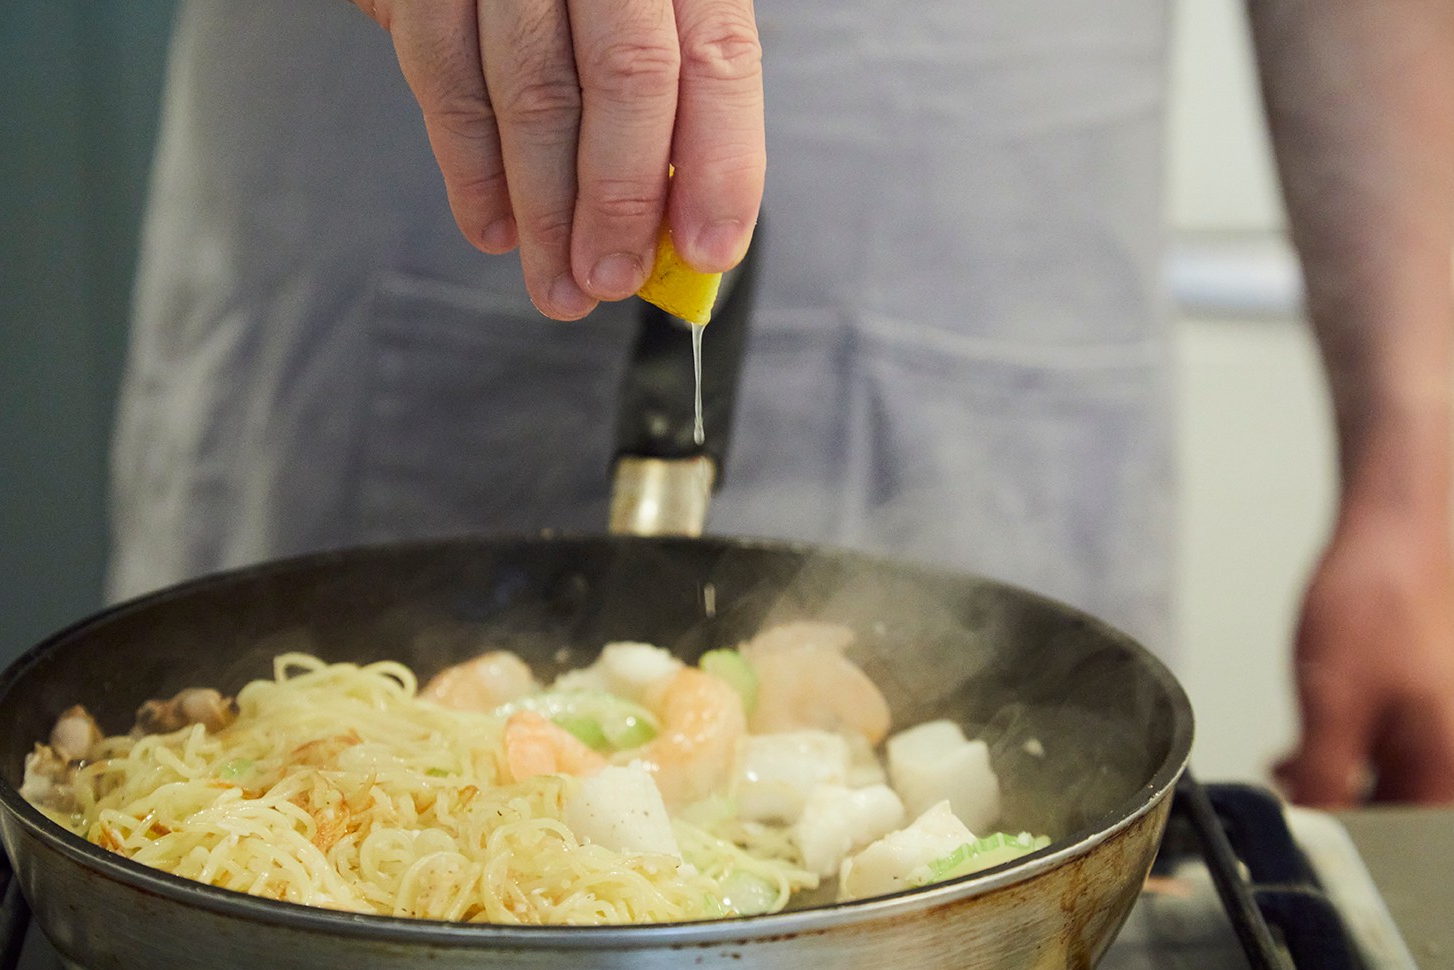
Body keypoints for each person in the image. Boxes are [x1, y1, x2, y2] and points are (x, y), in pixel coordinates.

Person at [108, 0, 1454, 806]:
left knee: (1000, 802)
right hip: (380, 220)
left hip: (991, 253)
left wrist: (1423, 442)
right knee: (298, 822)